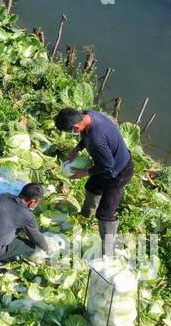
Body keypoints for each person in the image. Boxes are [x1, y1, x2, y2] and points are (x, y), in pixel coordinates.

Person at [55, 107, 133, 257]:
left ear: (76, 127)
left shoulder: (97, 139)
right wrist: (76, 150)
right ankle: (84, 217)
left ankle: (108, 252)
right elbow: (85, 137)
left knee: (105, 214)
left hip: (118, 172)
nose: (73, 133)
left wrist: (83, 173)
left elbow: (107, 165)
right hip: (103, 163)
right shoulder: (88, 115)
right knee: (92, 188)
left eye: (71, 131)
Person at [0, 183, 51, 266]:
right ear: (32, 202)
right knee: (31, 246)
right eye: (37, 203)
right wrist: (47, 249)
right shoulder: (27, 216)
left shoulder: (4, 196)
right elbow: (38, 239)